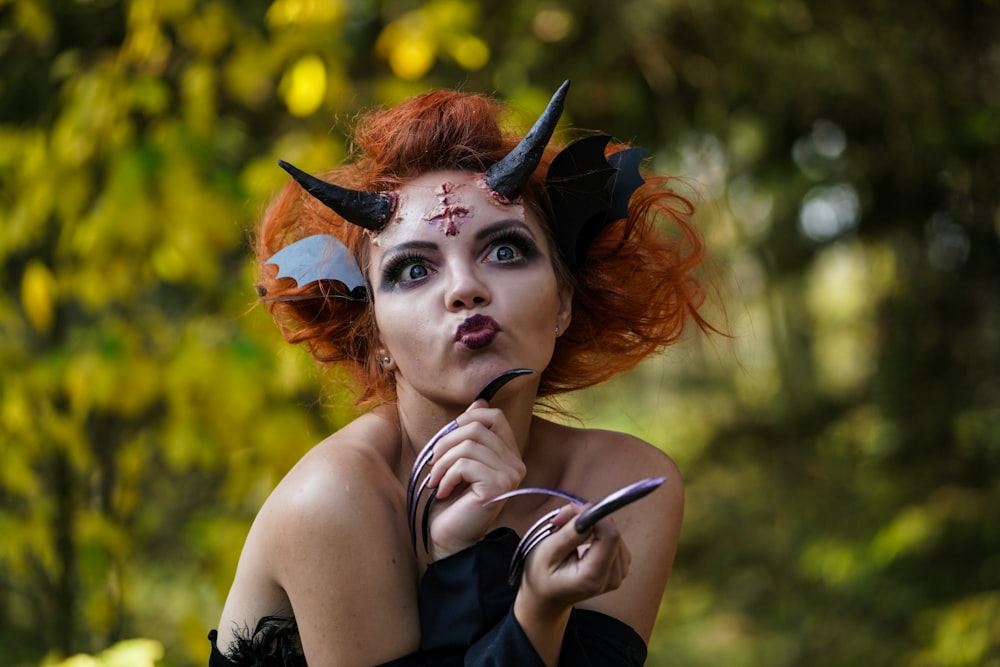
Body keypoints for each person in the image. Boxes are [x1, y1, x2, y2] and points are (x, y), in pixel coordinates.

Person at [209, 80, 714, 666]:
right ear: (375, 334)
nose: (465, 289)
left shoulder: (624, 485)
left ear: (563, 303)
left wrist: (525, 604)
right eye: (412, 270)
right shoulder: (336, 500)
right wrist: (506, 593)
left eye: (504, 251)